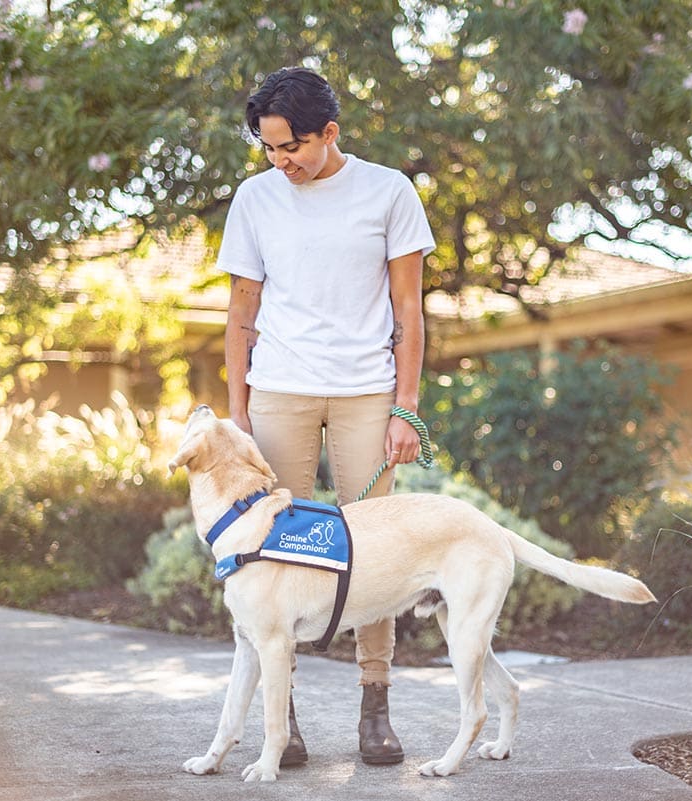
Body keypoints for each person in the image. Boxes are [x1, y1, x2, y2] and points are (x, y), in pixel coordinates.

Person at [214, 66, 435, 768]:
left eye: (292, 147)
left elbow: (408, 309)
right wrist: (238, 412)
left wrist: (406, 405)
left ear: (329, 132)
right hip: (279, 389)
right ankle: (288, 717)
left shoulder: (388, 192)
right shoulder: (255, 199)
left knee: (372, 550)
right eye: (270, 149)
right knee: (274, 549)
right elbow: (241, 311)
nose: (282, 162)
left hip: (367, 390)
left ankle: (376, 704)